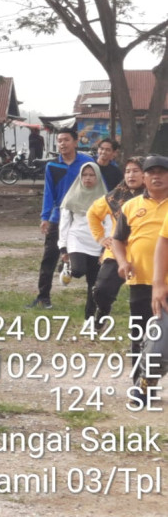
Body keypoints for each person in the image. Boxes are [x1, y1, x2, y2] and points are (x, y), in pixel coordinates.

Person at [112, 155, 168, 408]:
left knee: (162, 337)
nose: (157, 176)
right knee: (142, 335)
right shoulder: (130, 206)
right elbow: (117, 239)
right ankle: (141, 385)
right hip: (142, 281)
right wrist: (122, 262)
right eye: (151, 172)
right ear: (143, 178)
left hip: (164, 283)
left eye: (162, 172)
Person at [30, 128, 94, 309]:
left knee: (90, 258)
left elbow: (95, 188)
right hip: (58, 217)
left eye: (66, 140)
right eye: (59, 141)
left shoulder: (87, 163)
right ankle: (43, 297)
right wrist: (45, 217)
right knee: (48, 257)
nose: (62, 144)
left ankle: (94, 299)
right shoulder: (52, 166)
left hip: (82, 218)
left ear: (75, 142)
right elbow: (48, 193)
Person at [88, 156, 144, 329]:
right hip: (116, 251)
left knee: (143, 299)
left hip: (144, 255)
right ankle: (103, 312)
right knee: (101, 290)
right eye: (127, 171)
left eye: (136, 171)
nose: (130, 175)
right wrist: (100, 237)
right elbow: (92, 213)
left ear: (145, 174)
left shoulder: (155, 197)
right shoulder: (114, 197)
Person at [57, 162, 106, 322]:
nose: (88, 178)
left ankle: (89, 318)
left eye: (91, 175)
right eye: (84, 175)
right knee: (79, 271)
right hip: (76, 239)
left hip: (97, 242)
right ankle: (69, 267)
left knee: (94, 285)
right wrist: (63, 247)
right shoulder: (72, 196)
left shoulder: (105, 198)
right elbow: (64, 223)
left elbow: (110, 223)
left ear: (97, 177)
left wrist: (107, 246)